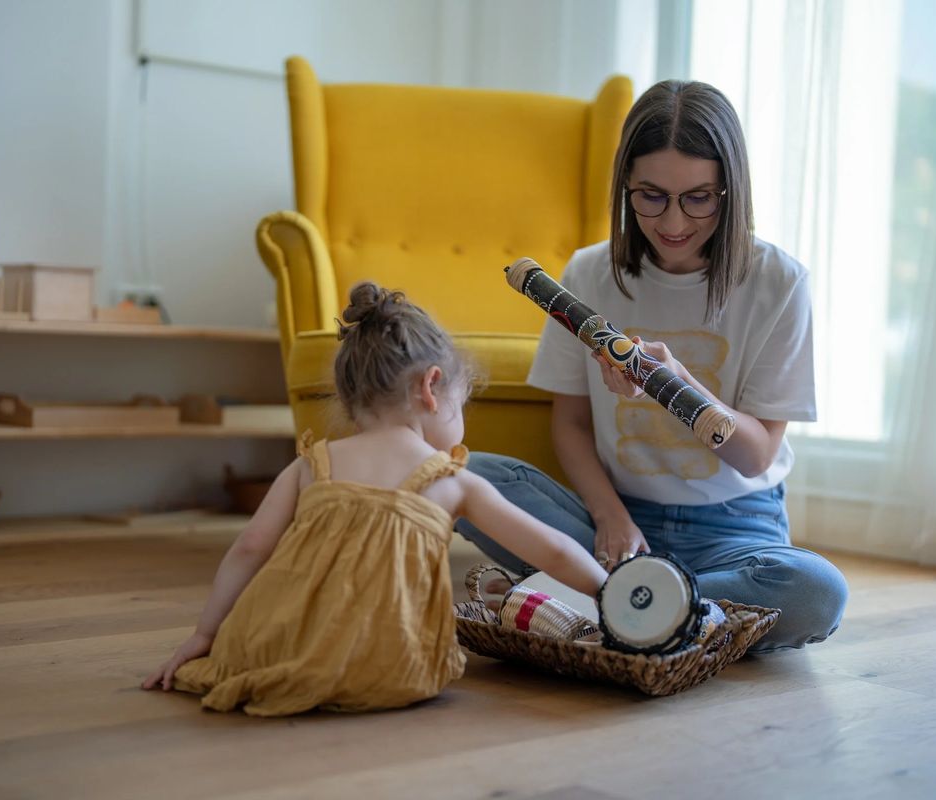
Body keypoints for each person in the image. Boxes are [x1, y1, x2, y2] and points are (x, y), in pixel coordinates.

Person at [457, 80, 848, 652]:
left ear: (730, 190)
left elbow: (755, 454)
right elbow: (570, 426)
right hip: (615, 522)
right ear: (626, 186)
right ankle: (668, 613)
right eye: (650, 195)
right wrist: (610, 516)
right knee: (463, 478)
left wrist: (676, 384)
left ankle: (603, 602)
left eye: (698, 197)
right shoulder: (590, 272)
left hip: (734, 531)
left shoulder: (779, 283)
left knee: (816, 593)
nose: (672, 222)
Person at [142, 282, 608, 715]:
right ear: (431, 387)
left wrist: (206, 634)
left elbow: (249, 549)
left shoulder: (311, 464)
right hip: (393, 665)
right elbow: (554, 551)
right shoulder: (451, 481)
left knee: (260, 640)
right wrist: (613, 597)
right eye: (461, 404)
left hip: (280, 645)